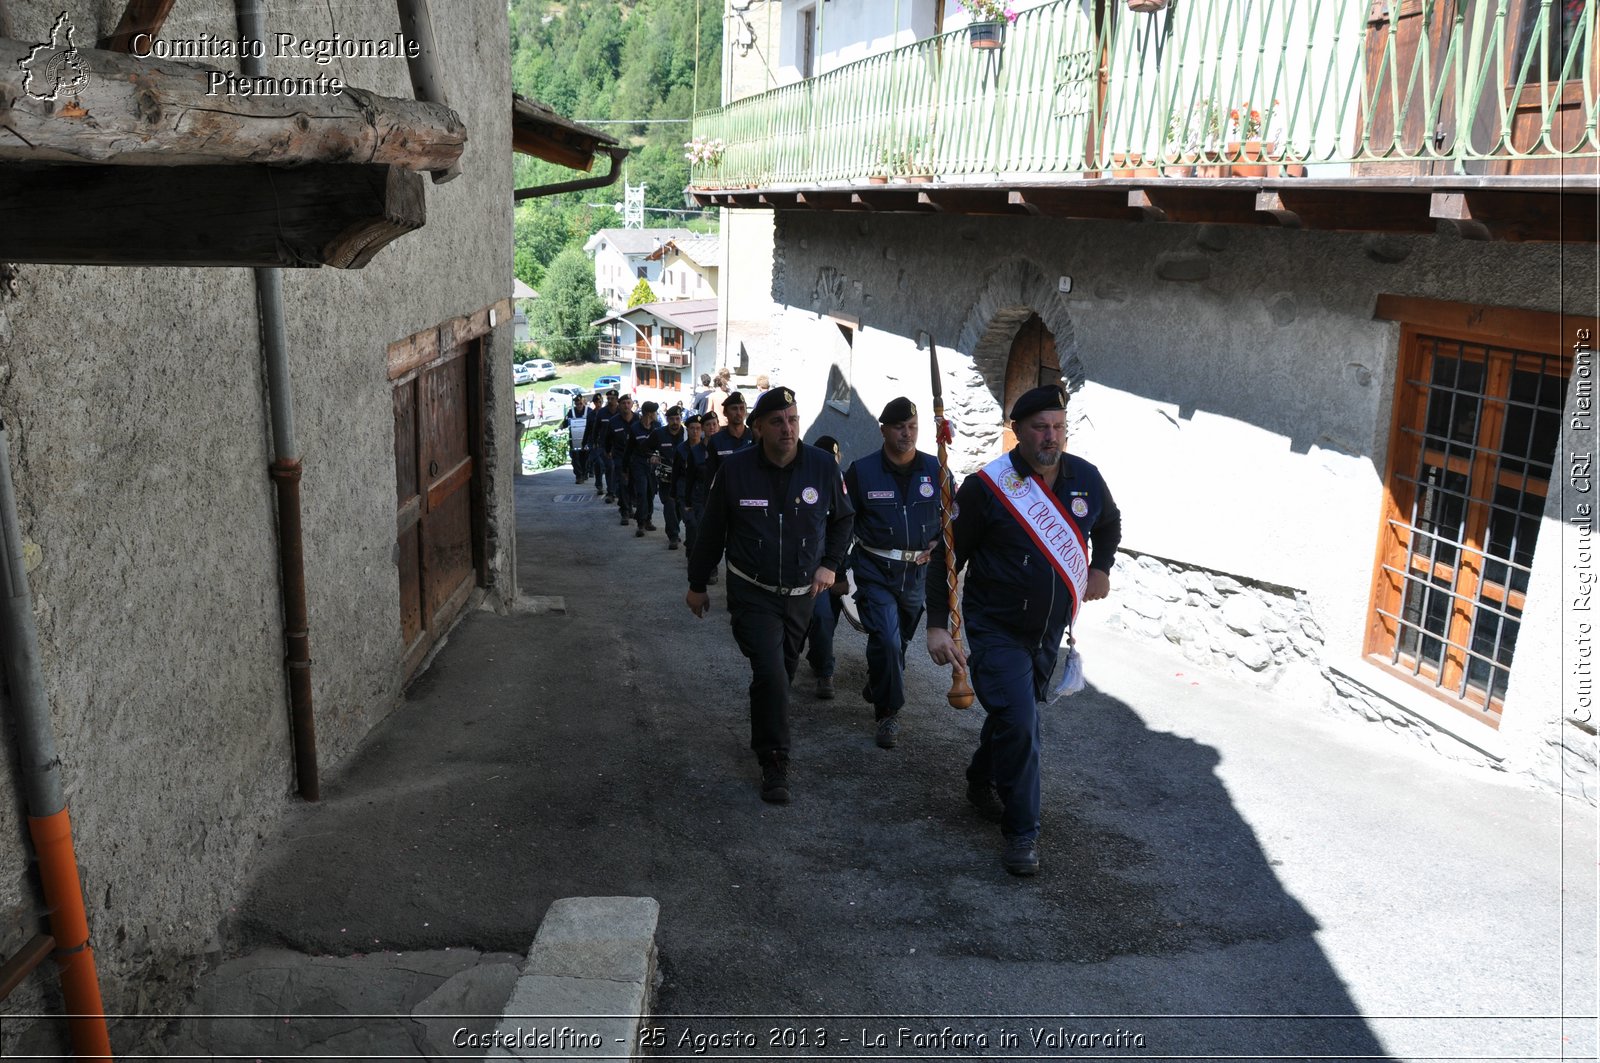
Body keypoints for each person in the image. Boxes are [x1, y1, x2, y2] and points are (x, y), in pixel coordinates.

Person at [926, 384, 1121, 877]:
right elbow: (948, 557)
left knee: (1015, 718)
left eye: (1058, 427)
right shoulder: (988, 487)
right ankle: (1022, 832)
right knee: (1023, 725)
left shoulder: (1085, 479)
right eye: (1040, 427)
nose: (1051, 437)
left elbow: (1110, 523)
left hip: (1048, 633)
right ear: (1017, 431)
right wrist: (935, 625)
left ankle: (980, 777)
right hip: (996, 630)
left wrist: (1101, 567)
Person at [686, 387, 853, 804]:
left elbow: (843, 520)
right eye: (777, 421)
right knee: (772, 672)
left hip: (801, 595)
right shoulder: (736, 470)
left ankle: (768, 725)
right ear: (758, 428)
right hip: (753, 592)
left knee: (782, 670)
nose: (788, 428)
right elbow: (712, 529)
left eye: (793, 419)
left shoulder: (821, 467)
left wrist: (831, 563)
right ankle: (774, 760)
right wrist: (697, 583)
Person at [844, 397, 951, 750]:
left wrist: (942, 543)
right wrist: (837, 568)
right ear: (884, 430)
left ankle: (879, 682)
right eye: (899, 427)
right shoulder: (862, 472)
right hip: (875, 570)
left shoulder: (936, 469)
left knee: (897, 643)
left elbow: (958, 515)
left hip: (918, 576)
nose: (907, 434)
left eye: (912, 427)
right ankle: (888, 712)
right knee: (888, 638)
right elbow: (841, 522)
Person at [802, 435, 849, 700]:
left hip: (832, 568)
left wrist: (839, 573)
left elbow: (848, 532)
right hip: (804, 566)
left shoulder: (843, 484)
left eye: (834, 457)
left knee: (825, 621)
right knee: (818, 619)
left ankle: (822, 667)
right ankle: (823, 667)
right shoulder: (804, 483)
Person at [649, 405, 689, 549]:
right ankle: (673, 535)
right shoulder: (658, 434)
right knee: (670, 505)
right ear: (667, 419)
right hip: (666, 478)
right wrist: (653, 455)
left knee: (681, 507)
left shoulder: (688, 433)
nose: (675, 422)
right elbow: (645, 448)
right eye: (671, 419)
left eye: (677, 419)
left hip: (684, 478)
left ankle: (675, 529)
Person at [622, 400, 659, 537]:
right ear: (649, 413)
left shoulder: (657, 427)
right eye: (654, 411)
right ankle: (641, 523)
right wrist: (624, 468)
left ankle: (648, 519)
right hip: (638, 464)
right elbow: (629, 449)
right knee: (642, 493)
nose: (656, 414)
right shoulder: (635, 428)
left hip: (653, 465)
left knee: (651, 492)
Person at [705, 392, 755, 482]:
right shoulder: (716, 440)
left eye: (742, 408)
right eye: (734, 409)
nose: (739, 412)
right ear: (725, 412)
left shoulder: (754, 437)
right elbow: (710, 475)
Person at [606, 395, 638, 524]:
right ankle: (625, 511)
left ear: (632, 404)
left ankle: (629, 504)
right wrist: (607, 451)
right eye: (623, 403)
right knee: (623, 483)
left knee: (633, 484)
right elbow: (608, 439)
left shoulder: (638, 420)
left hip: (635, 457)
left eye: (628, 403)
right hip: (619, 456)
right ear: (619, 405)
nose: (626, 405)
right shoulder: (614, 421)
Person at [587, 390, 619, 500]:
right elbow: (595, 429)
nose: (610, 401)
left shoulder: (622, 411)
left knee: (618, 469)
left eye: (613, 398)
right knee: (610, 467)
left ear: (617, 399)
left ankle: (618, 491)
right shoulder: (602, 412)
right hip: (605, 446)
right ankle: (611, 492)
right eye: (608, 398)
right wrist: (595, 442)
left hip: (619, 446)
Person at [562, 392, 590, 483]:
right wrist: (561, 426)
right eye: (577, 404)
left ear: (583, 402)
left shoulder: (589, 411)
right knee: (575, 458)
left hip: (586, 439)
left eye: (580, 403)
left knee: (585, 458)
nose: (579, 405)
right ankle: (579, 476)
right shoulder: (571, 412)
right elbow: (565, 423)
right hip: (574, 440)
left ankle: (585, 473)